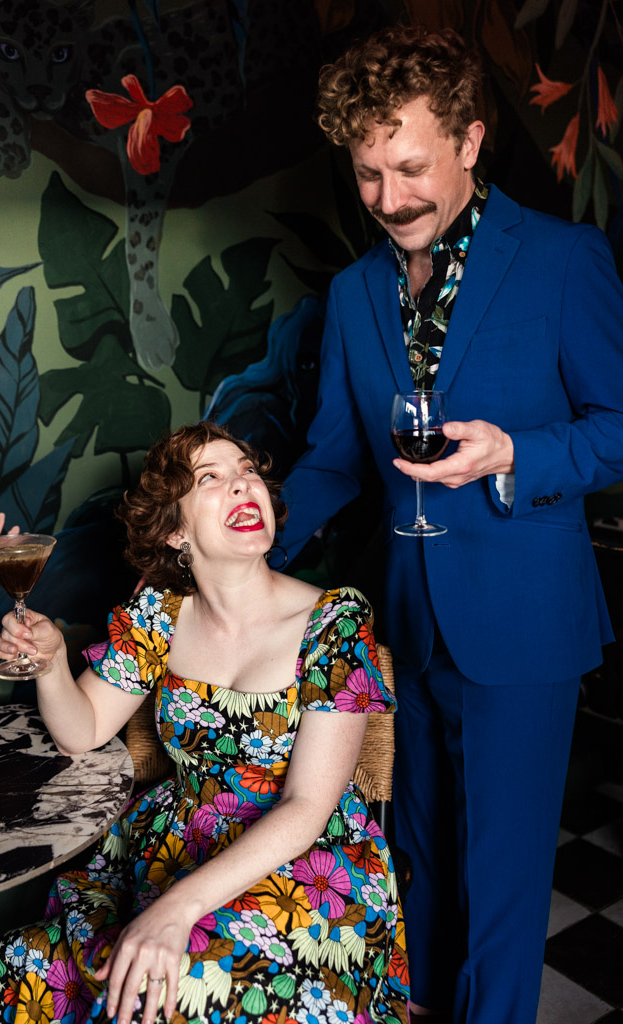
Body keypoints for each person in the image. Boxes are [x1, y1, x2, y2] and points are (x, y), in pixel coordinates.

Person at [279, 24, 623, 1024]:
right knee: (414, 860)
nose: (389, 199)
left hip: (521, 621)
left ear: (469, 142)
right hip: (403, 621)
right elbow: (336, 456)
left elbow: (617, 426)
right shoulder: (350, 295)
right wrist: (251, 533)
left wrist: (515, 452)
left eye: (411, 167)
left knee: (501, 875)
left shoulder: (563, 261)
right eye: (367, 174)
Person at [0, 422, 409, 1024]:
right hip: (179, 841)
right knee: (15, 969)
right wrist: (52, 663)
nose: (244, 487)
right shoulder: (159, 615)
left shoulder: (335, 621)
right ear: (176, 530)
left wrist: (176, 910)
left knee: (170, 987)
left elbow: (306, 806)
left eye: (249, 473)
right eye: (212, 479)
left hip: (308, 866)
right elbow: (81, 729)